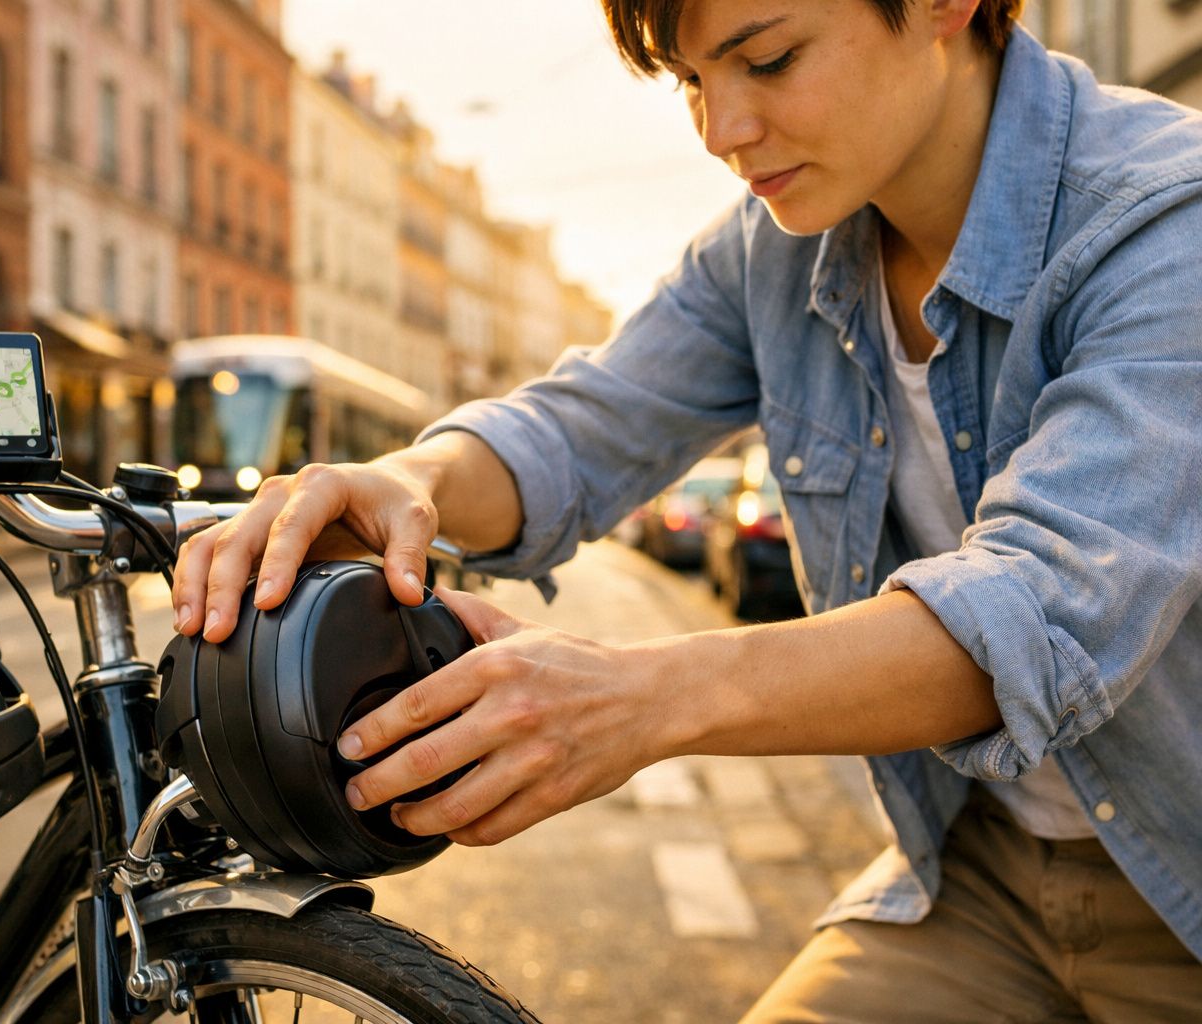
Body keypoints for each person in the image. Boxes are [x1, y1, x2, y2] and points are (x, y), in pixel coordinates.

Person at [173, 0, 1202, 1017]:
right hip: (980, 877)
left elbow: (1038, 607)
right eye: (695, 81)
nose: (723, 133)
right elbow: (585, 423)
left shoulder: (1166, 215)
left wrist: (642, 698)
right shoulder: (775, 247)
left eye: (770, 59)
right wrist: (414, 480)